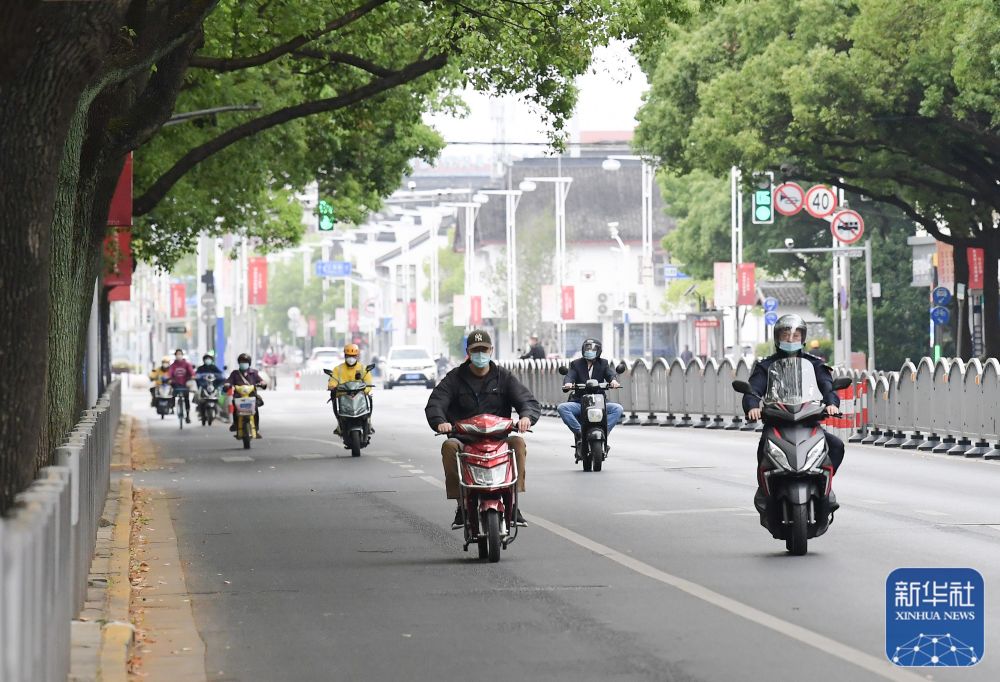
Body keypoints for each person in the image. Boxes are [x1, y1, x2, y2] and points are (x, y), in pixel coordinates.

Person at [425, 329, 539, 529]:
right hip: (465, 439)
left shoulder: (503, 377)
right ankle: (461, 504)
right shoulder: (454, 378)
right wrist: (440, 421)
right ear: (468, 353)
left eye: (484, 350)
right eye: (475, 350)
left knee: (519, 443)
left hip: (499, 440)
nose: (480, 354)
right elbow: (436, 402)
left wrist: (526, 417)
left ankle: (513, 501)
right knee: (449, 447)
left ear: (491, 351)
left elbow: (526, 400)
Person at [743, 314, 843, 515]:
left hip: (808, 422)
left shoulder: (814, 364)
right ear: (777, 337)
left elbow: (827, 386)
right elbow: (753, 389)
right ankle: (765, 490)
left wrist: (831, 404)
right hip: (777, 423)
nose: (790, 339)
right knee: (764, 449)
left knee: (836, 445)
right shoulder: (766, 366)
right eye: (786, 334)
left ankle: (826, 488)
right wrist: (753, 406)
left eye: (796, 335)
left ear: (802, 338)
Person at [556, 339, 624, 446]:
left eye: (592, 349)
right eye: (587, 348)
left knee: (618, 408)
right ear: (583, 350)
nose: (589, 351)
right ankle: (579, 432)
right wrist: (568, 383)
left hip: (599, 402)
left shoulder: (603, 363)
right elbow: (570, 375)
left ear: (598, 351)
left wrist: (614, 381)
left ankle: (605, 431)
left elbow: (610, 374)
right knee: (562, 408)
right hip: (579, 403)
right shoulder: (576, 364)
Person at [326, 343, 374, 435]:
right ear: (345, 356)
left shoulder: (363, 368)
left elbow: (368, 382)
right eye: (348, 356)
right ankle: (340, 424)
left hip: (359, 396)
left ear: (357, 356)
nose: (351, 358)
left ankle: (368, 423)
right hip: (343, 396)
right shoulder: (338, 369)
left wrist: (366, 389)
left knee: (370, 397)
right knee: (333, 398)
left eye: (353, 356)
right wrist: (332, 386)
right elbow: (333, 381)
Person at [225, 352, 267, 438]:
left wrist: (262, 383)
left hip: (251, 397)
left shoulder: (254, 373)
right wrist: (227, 384)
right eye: (241, 361)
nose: (243, 363)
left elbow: (261, 380)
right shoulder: (235, 373)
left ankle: (256, 428)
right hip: (238, 397)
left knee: (255, 411)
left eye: (245, 361)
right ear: (239, 363)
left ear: (249, 363)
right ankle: (235, 424)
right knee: (235, 411)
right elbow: (229, 381)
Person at [166, 349, 196, 423]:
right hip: (175, 384)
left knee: (186, 399)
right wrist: (169, 378)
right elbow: (170, 373)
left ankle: (188, 416)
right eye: (177, 354)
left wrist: (192, 376)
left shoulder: (187, 364)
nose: (179, 356)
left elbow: (191, 371)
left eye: (180, 354)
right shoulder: (173, 365)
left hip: (185, 384)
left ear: (182, 355)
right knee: (172, 393)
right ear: (175, 356)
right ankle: (172, 408)